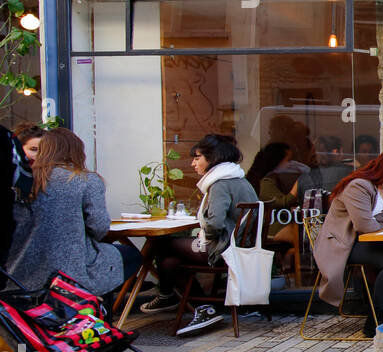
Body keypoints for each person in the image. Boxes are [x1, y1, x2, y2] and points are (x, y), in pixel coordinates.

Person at [141, 134, 259, 335]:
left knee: (161, 243)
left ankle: (168, 296)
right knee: (169, 263)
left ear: (212, 158)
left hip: (224, 249)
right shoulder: (238, 178)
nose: (192, 163)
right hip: (239, 247)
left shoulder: (220, 183)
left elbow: (214, 223)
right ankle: (203, 308)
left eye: (197, 158)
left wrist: (202, 239)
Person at [6, 128, 143, 298]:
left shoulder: (23, 180)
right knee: (128, 256)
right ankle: (99, 315)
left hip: (18, 274)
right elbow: (99, 228)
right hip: (68, 274)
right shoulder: (84, 180)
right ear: (77, 151)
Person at [313, 147, 383, 338]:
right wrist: (381, 219)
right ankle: (375, 321)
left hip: (364, 240)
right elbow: (365, 226)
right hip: (343, 244)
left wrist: (378, 219)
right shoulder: (359, 186)